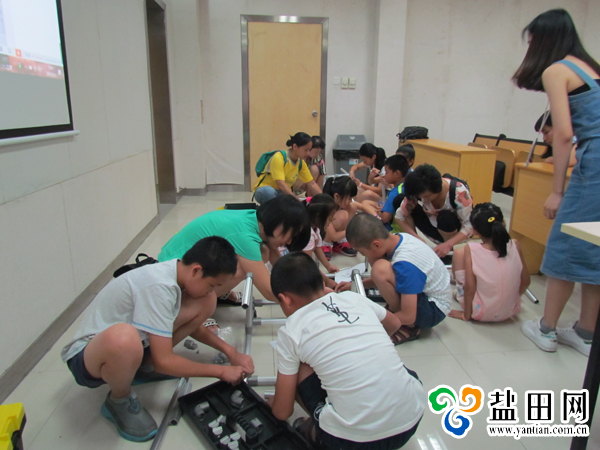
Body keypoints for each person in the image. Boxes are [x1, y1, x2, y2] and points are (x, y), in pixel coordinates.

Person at [60, 237, 254, 442]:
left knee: (206, 301)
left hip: (132, 345)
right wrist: (221, 372)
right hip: (88, 357)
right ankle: (119, 399)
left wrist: (231, 352)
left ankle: (141, 366)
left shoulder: (177, 274)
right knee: (125, 338)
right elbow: (164, 362)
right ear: (196, 270)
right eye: (212, 285)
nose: (212, 290)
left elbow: (193, 327)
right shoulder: (159, 286)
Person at [268, 252, 425, 449]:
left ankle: (317, 432)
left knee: (299, 364)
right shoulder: (353, 298)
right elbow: (394, 323)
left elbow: (282, 412)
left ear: (285, 299)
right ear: (321, 283)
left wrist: (274, 403)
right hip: (412, 418)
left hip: (354, 442)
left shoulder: (291, 330)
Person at [513, 8, 600, 356]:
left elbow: (563, 134)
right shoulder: (591, 69)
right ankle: (586, 332)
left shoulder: (557, 70)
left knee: (565, 247)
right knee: (594, 249)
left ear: (544, 39)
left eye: (532, 40)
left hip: (594, 168)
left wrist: (557, 191)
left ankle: (546, 329)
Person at [158, 195, 310, 303]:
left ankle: (216, 291)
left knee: (263, 252)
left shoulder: (254, 218)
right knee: (245, 267)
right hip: (174, 277)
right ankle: (195, 303)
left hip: (177, 261)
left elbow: (279, 263)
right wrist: (307, 299)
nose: (289, 241)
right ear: (279, 224)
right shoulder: (245, 235)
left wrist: (306, 283)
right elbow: (269, 291)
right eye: (291, 234)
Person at [343, 214, 451, 345]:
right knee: (380, 268)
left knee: (379, 269)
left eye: (362, 252)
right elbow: (394, 276)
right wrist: (357, 284)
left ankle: (409, 327)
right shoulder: (399, 238)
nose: (363, 255)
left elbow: (409, 315)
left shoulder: (406, 264)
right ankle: (397, 311)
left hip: (433, 310)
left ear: (376, 244)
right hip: (427, 297)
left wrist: (371, 323)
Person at [449, 203, 530, 322]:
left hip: (479, 312)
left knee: (458, 253)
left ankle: (459, 294)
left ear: (474, 231)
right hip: (511, 310)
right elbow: (526, 281)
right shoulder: (515, 244)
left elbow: (470, 288)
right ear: (503, 223)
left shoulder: (471, 249)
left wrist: (466, 315)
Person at [395, 164, 474, 258]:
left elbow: (470, 226)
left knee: (445, 217)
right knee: (400, 200)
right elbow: (399, 217)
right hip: (432, 225)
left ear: (437, 189)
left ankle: (447, 253)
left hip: (454, 232)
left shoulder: (459, 193)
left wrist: (447, 245)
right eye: (421, 197)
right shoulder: (418, 192)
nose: (424, 199)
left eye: (427, 196)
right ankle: (427, 246)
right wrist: (418, 240)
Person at [253, 132, 322, 204]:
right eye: (305, 150)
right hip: (266, 190)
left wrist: (325, 199)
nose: (308, 153)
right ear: (295, 146)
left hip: (283, 193)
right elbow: (281, 184)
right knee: (269, 192)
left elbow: (312, 184)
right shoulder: (279, 157)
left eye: (309, 150)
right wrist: (296, 201)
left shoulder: (300, 162)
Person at [321, 175, 379, 258]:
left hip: (338, 234)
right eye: (349, 198)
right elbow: (334, 236)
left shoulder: (343, 204)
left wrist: (377, 217)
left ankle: (340, 241)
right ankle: (326, 243)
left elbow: (363, 207)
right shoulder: (325, 208)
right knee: (343, 215)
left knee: (352, 207)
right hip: (325, 235)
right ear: (336, 196)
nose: (350, 201)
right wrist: (353, 230)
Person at [302, 194, 339, 290]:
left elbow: (317, 248)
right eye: (330, 219)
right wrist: (327, 281)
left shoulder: (315, 227)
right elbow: (308, 264)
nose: (330, 223)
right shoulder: (307, 234)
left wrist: (328, 266)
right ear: (318, 217)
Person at [379, 154, 410, 230]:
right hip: (405, 228)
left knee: (366, 208)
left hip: (391, 230)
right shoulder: (406, 186)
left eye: (386, 172)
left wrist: (378, 212)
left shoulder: (395, 192)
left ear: (397, 174)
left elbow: (385, 218)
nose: (385, 175)